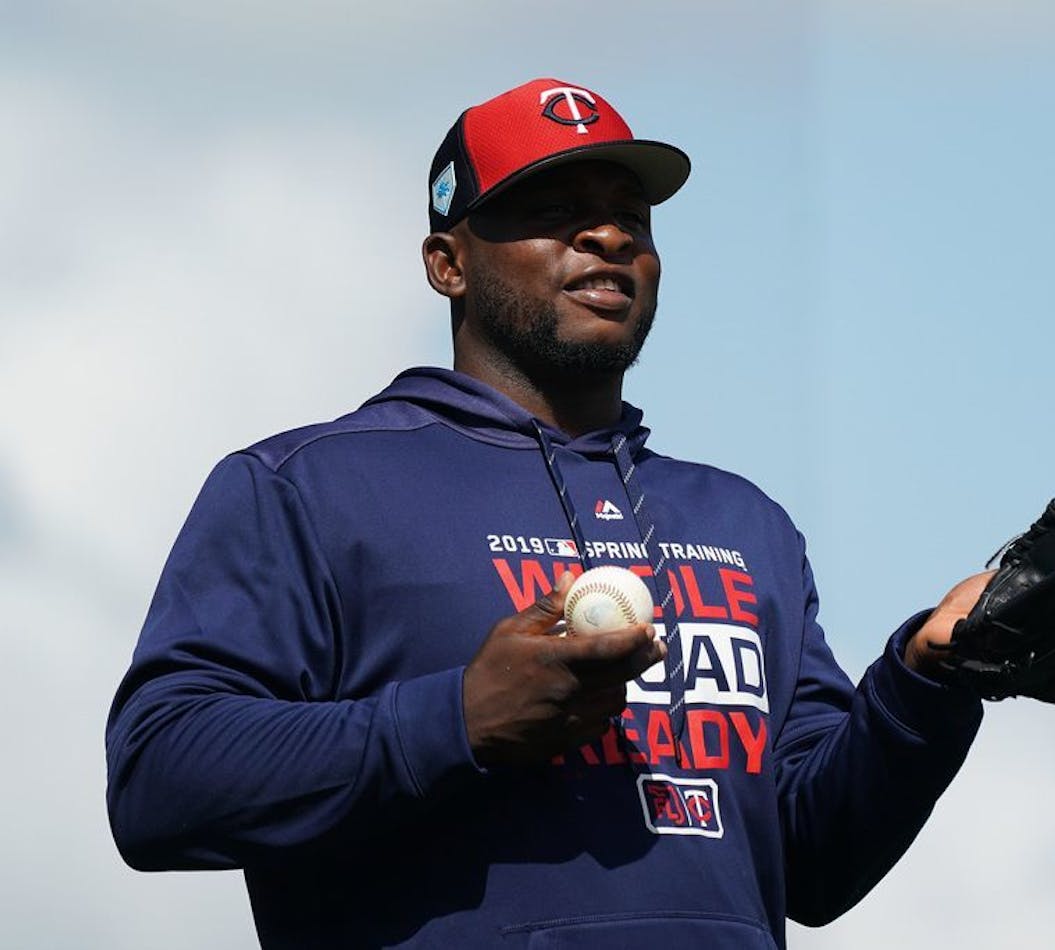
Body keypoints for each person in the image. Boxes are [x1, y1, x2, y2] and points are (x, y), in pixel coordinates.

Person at [106, 78, 991, 949]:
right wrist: (454, 720)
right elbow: (157, 781)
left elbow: (818, 861)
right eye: (553, 207)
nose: (606, 235)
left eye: (629, 218)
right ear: (447, 263)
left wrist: (929, 683)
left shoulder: (745, 525)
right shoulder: (308, 487)